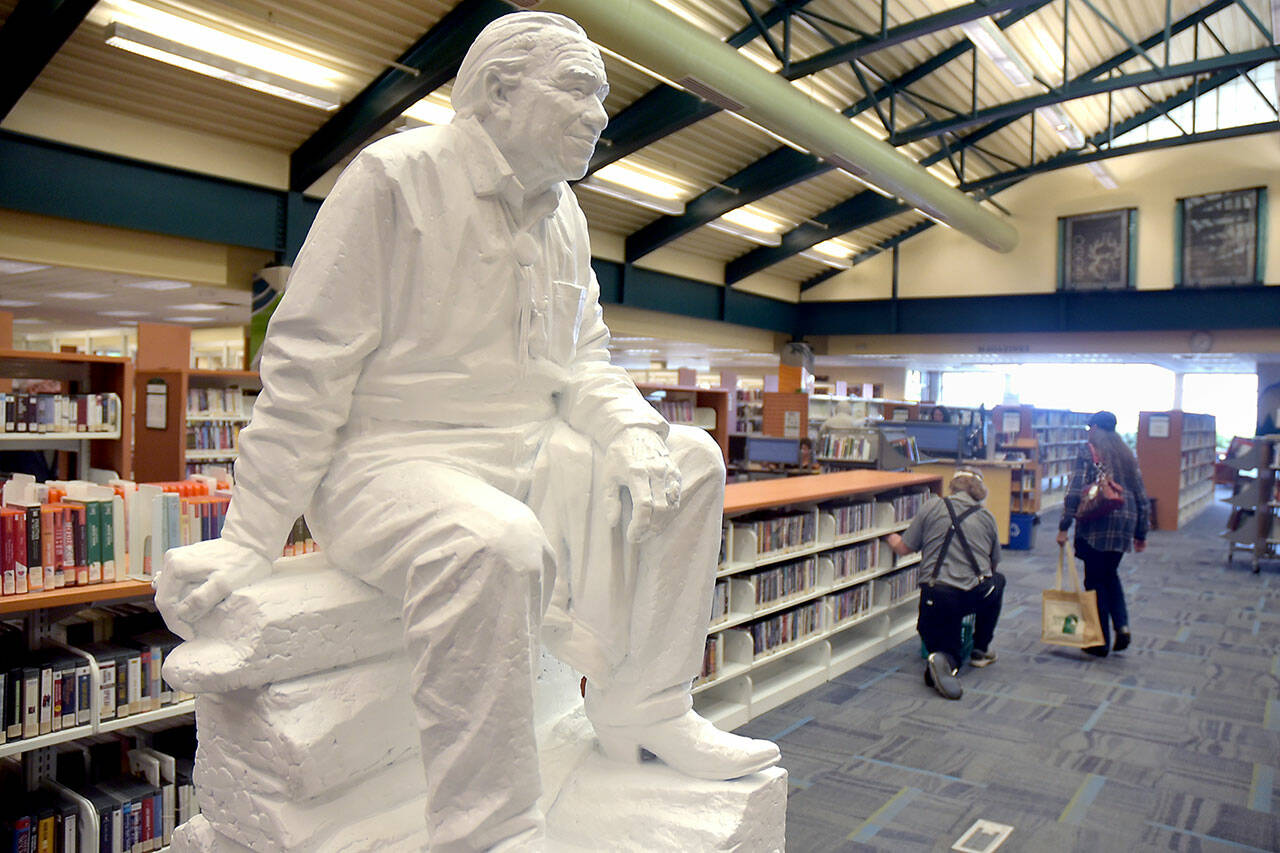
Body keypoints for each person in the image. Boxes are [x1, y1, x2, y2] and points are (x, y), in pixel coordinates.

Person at [154, 13, 777, 852]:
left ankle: (647, 706)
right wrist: (249, 537)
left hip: (529, 451)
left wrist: (631, 431)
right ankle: (488, 827)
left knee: (690, 459)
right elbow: (306, 368)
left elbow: (583, 360)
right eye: (578, 89)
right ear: (498, 90)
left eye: (601, 96)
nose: (600, 114)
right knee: (494, 543)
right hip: (389, 463)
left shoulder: (566, 214)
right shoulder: (395, 178)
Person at [887, 470, 1004, 700]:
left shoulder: (931, 507)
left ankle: (942, 659)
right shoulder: (986, 516)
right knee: (998, 582)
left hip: (937, 594)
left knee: (945, 644)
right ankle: (980, 649)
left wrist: (888, 536)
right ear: (978, 492)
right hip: (974, 595)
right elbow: (993, 565)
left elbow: (904, 548)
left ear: (952, 487)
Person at [1056, 410, 1149, 657]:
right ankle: (1122, 625)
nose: (1089, 432)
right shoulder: (1127, 455)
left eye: (1090, 428)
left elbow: (1075, 490)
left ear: (1095, 428)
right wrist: (1141, 532)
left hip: (1097, 523)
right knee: (1109, 574)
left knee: (1095, 581)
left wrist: (1064, 526)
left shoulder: (1088, 451)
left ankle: (1099, 642)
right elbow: (1141, 496)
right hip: (1125, 521)